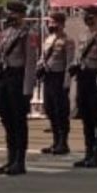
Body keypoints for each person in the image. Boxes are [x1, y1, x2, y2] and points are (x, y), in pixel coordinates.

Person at [0, 1, 34, 176]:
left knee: (18, 122)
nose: (10, 16)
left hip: (18, 79)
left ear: (22, 15)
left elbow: (30, 63)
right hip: (4, 78)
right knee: (7, 121)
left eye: (14, 13)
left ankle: (20, 161)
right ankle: (10, 159)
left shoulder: (28, 34)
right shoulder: (5, 33)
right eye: (9, 13)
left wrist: (27, 89)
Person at [70, 6, 97, 169]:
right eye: (86, 16)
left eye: (91, 16)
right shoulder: (83, 35)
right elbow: (78, 56)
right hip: (83, 79)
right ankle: (88, 153)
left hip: (95, 78)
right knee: (86, 118)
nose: (88, 19)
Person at [37, 11, 73, 156]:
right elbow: (43, 57)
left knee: (61, 111)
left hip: (59, 78)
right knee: (50, 109)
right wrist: (39, 67)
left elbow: (69, 63)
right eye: (50, 22)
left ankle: (63, 142)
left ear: (62, 24)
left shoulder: (67, 41)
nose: (51, 25)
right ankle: (55, 141)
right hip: (48, 77)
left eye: (54, 23)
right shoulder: (48, 39)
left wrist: (66, 82)